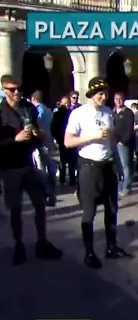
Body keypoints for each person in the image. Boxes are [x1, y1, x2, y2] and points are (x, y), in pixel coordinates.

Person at [64, 77, 130, 269]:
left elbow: (111, 141)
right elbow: (68, 141)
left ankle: (111, 246)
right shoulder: (79, 113)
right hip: (89, 166)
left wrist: (117, 164)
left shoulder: (108, 112)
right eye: (101, 93)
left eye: (106, 93)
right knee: (89, 211)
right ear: (92, 93)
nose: (104, 97)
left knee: (112, 209)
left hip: (107, 164)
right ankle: (89, 252)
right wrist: (92, 136)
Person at [0, 75, 62, 265]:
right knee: (16, 209)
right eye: (12, 89)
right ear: (4, 90)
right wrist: (14, 140)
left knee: (40, 203)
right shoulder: (0, 112)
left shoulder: (29, 108)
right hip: (9, 166)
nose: (17, 92)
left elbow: (37, 134)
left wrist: (37, 134)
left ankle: (42, 242)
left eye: (19, 88)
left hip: (29, 163)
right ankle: (19, 245)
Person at [29, 90, 58, 206]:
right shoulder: (48, 110)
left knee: (41, 169)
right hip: (49, 141)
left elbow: (37, 126)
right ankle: (52, 193)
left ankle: (46, 194)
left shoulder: (37, 111)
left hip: (41, 143)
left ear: (33, 98)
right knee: (50, 168)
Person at [112, 92, 135, 197]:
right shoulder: (112, 112)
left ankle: (127, 187)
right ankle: (119, 186)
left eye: (120, 99)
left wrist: (124, 140)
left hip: (123, 143)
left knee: (126, 165)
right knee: (118, 166)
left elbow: (129, 129)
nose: (118, 101)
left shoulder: (128, 112)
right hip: (113, 142)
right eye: (117, 99)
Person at [51, 96, 76, 185]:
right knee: (63, 160)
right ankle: (62, 178)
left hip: (72, 140)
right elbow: (53, 128)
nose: (66, 105)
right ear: (60, 104)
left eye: (68, 103)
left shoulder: (72, 113)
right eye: (64, 103)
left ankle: (72, 179)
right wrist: (58, 139)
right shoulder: (57, 115)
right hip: (62, 140)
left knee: (72, 161)